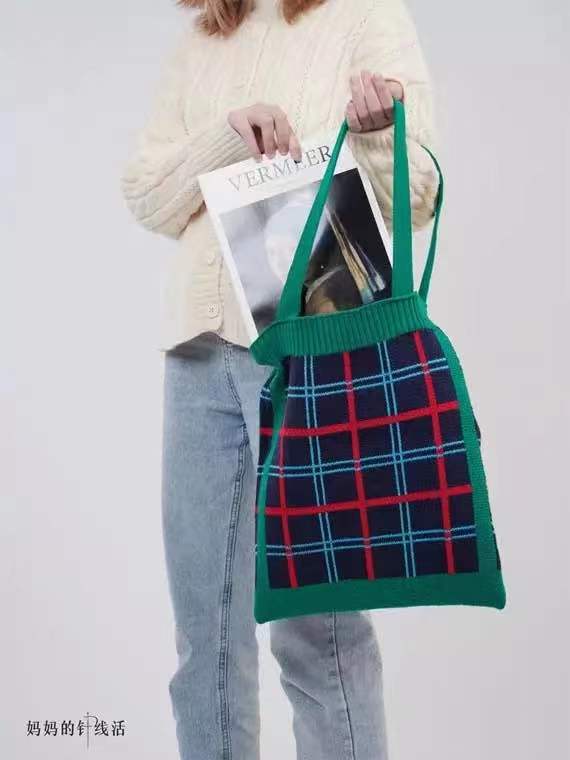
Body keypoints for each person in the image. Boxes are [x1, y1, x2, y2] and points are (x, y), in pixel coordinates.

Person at [120, 1, 439, 758]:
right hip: (196, 357)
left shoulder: (365, 15)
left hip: (310, 355)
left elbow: (419, 194)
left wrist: (375, 135)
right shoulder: (202, 39)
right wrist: (226, 138)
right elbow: (148, 197)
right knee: (204, 636)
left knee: (319, 631)